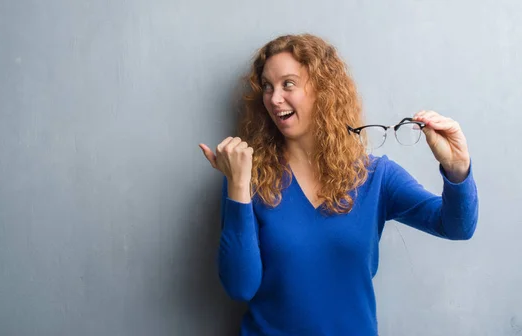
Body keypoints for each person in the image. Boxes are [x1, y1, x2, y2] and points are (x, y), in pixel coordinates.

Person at [198, 33, 478, 336]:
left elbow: (456, 227)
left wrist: (457, 167)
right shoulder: (248, 176)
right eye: (267, 86)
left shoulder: (377, 177)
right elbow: (240, 287)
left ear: (322, 90)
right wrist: (238, 186)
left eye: (288, 84)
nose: (274, 98)